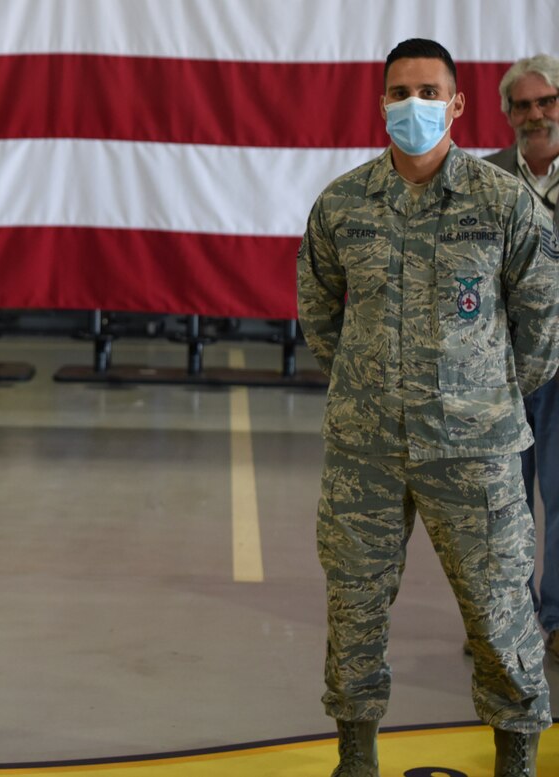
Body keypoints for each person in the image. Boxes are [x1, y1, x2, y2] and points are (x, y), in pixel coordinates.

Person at [297, 38, 557, 777]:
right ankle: (356, 756)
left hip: (475, 450)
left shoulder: (502, 202)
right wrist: (365, 383)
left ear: (458, 103)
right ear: (382, 102)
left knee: (500, 614)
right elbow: (318, 313)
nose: (415, 106)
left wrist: (484, 394)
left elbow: (542, 324)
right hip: (365, 452)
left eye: (429, 92)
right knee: (354, 609)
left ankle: (516, 760)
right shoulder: (343, 204)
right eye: (401, 92)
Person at [484, 54, 559, 663]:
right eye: (523, 105)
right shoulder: (486, 180)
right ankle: (508, 618)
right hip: (502, 368)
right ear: (507, 114)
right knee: (501, 498)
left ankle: (557, 620)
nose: (536, 114)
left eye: (547, 101)